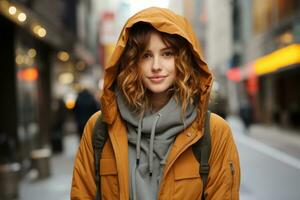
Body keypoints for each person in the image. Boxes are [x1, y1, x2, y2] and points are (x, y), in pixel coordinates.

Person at [71, 7, 240, 200]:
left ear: (183, 59)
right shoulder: (99, 128)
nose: (156, 66)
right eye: (146, 55)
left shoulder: (215, 132)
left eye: (167, 54)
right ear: (132, 62)